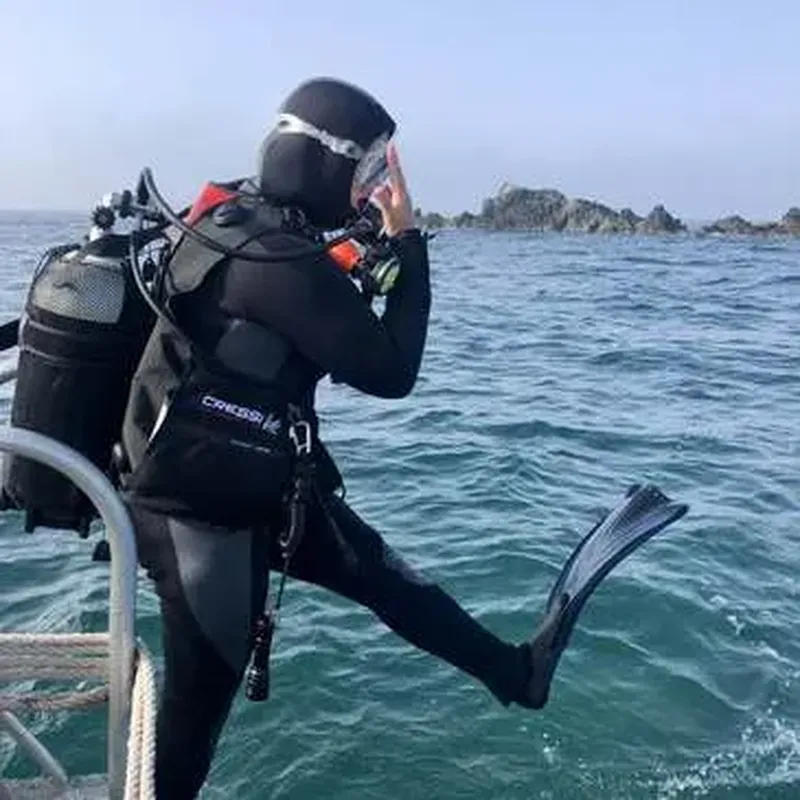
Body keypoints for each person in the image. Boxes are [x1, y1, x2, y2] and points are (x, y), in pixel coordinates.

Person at [117, 77, 688, 799]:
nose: (371, 186)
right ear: (323, 159)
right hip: (198, 509)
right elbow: (391, 370)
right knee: (197, 710)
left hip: (251, 476)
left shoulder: (243, 220)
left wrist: (371, 250)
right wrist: (409, 243)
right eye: (367, 169)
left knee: (381, 573)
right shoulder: (275, 262)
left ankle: (518, 675)